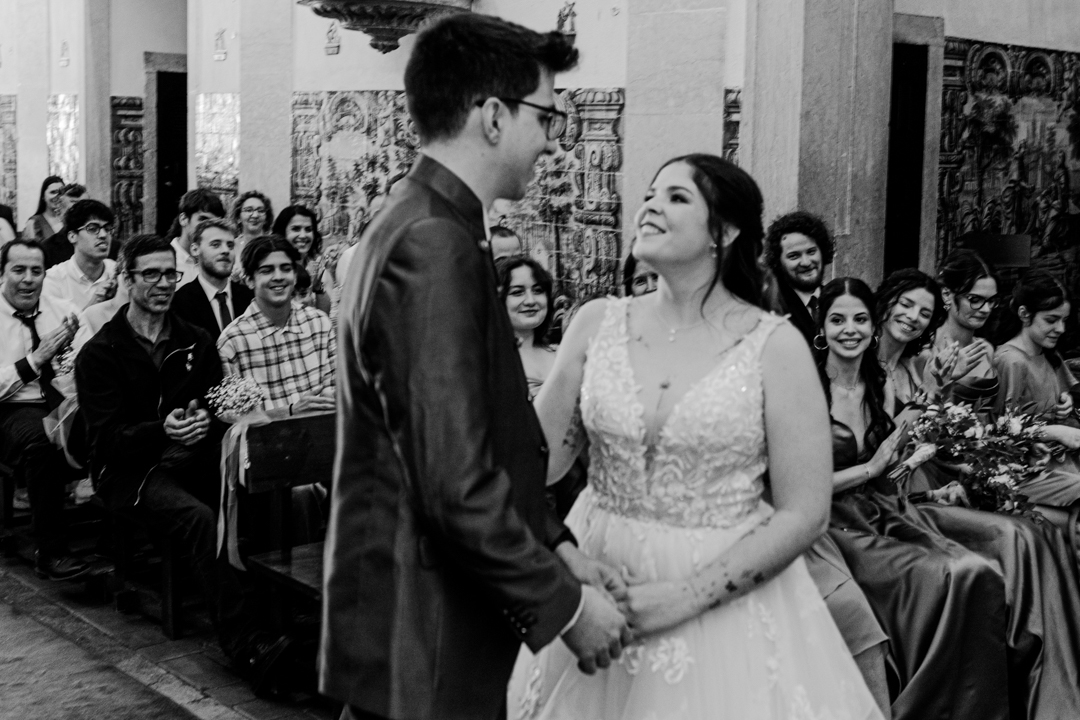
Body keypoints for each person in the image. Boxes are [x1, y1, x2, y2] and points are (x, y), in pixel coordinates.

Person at [325, 14, 629, 720]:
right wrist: (563, 605)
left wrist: (555, 543)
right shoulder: (432, 240)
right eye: (545, 116)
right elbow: (452, 480)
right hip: (426, 622)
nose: (551, 140)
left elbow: (484, 429)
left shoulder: (431, 220)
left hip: (424, 614)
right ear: (493, 116)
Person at [509, 154, 882, 719]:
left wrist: (681, 598)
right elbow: (537, 463)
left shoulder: (773, 345)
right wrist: (563, 559)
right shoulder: (595, 324)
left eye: (676, 197)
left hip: (721, 589)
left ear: (724, 231)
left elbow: (805, 513)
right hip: (598, 572)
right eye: (650, 194)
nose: (650, 206)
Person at [74, 233, 298, 694]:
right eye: (150, 274)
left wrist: (204, 426)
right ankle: (247, 644)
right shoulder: (101, 352)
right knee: (199, 519)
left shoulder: (195, 340)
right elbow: (106, 441)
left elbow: (217, 408)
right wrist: (164, 430)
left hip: (190, 456)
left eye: (169, 274)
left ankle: (286, 618)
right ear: (127, 278)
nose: (162, 284)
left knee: (262, 483)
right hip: (130, 473)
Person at [875, 268, 1080, 719]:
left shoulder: (918, 365)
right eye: (906, 305)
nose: (912, 317)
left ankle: (1050, 683)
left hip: (945, 473)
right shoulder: (882, 368)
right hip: (903, 492)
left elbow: (946, 429)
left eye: (922, 311)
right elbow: (896, 444)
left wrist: (974, 461)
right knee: (1018, 536)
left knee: (1033, 535)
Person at [814, 277, 1012, 720]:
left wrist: (935, 393)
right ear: (821, 327)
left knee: (978, 571)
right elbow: (802, 485)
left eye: (860, 319)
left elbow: (894, 457)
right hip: (829, 525)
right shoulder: (808, 389)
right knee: (944, 573)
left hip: (879, 509)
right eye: (838, 320)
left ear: (873, 324)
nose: (850, 329)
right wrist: (869, 470)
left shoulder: (878, 384)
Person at [0, 238, 86, 580]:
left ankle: (118, 538)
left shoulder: (64, 310)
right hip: (11, 406)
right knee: (43, 441)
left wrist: (73, 358)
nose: (28, 279)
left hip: (64, 400)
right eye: (18, 270)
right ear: (2, 273)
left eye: (36, 271)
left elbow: (91, 362)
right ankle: (51, 552)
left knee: (113, 424)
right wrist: (35, 360)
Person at [217, 236, 336, 421]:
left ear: (295, 276)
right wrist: (290, 411)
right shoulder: (233, 341)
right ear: (249, 280)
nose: (278, 277)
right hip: (267, 438)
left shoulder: (319, 323)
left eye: (286, 269)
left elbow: (337, 389)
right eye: (267, 270)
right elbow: (233, 419)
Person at [994, 270, 1080, 510]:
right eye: (1051, 320)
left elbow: (1059, 393)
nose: (1060, 328)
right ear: (1024, 314)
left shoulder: (1048, 354)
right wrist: (1054, 431)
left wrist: (1066, 402)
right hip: (1027, 468)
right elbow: (1001, 428)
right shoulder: (1011, 361)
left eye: (1064, 320)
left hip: (1062, 459)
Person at [171, 219, 253, 340]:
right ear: (195, 249)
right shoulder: (180, 303)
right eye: (215, 245)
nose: (225, 251)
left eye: (230, 245)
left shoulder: (250, 298)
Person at [762, 210, 832, 346]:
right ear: (778, 262)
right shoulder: (771, 308)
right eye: (794, 256)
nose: (806, 262)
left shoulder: (836, 298)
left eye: (811, 252)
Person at [42, 200, 119, 311]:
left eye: (107, 229)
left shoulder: (119, 274)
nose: (103, 235)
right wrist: (94, 305)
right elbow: (56, 322)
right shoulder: (53, 280)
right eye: (92, 229)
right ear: (72, 236)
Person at [497, 256, 556, 398]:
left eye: (538, 290)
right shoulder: (488, 363)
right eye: (517, 292)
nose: (530, 301)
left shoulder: (561, 354)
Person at [271, 205, 330, 314]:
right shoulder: (273, 267)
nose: (303, 235)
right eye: (296, 229)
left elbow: (324, 315)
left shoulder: (316, 264)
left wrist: (317, 287)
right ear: (282, 232)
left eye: (308, 230)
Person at [169, 189, 226, 289]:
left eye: (214, 223)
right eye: (203, 220)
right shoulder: (165, 259)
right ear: (183, 219)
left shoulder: (219, 260)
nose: (208, 227)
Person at [41, 184, 89, 268]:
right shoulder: (47, 249)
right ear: (58, 213)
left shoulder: (106, 244)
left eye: (86, 210)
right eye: (73, 211)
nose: (81, 215)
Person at [231, 191, 273, 272]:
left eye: (260, 211)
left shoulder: (274, 245)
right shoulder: (231, 246)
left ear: (266, 218)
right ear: (238, 217)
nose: (255, 215)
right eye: (249, 210)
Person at [22, 176, 65, 241]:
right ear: (43, 196)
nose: (57, 196)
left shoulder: (69, 219)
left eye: (61, 192)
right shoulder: (33, 222)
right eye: (53, 192)